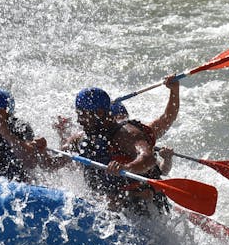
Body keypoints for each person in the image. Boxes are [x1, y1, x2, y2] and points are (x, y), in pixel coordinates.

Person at [56, 87, 169, 216]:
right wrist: (39, 151)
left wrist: (127, 167)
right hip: (106, 205)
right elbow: (54, 162)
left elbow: (148, 159)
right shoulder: (80, 138)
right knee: (109, 200)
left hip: (141, 204)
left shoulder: (126, 134)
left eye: (82, 115)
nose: (78, 120)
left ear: (99, 113)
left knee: (122, 199)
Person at [108, 75, 180, 175]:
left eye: (125, 120)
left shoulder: (138, 135)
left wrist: (174, 91)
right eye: (120, 121)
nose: (124, 126)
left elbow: (168, 118)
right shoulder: (100, 142)